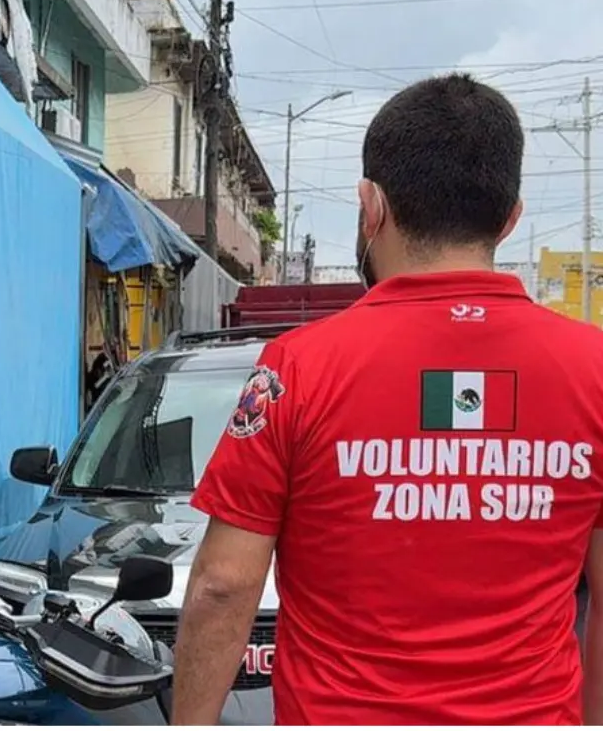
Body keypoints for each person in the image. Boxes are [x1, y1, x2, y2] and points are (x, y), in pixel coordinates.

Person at [172, 73, 603, 725]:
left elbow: (222, 586)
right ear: (510, 218)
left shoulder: (297, 368)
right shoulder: (592, 369)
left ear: (370, 206)